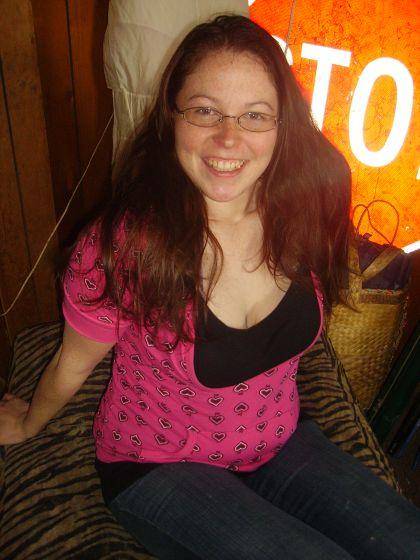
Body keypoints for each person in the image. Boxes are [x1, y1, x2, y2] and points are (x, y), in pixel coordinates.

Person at [0, 14, 419, 560]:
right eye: (204, 111)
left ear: (283, 125)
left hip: (280, 439)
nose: (229, 137)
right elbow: (72, 363)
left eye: (255, 115)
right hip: (157, 465)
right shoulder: (123, 245)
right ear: (171, 117)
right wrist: (28, 421)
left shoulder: (304, 214)